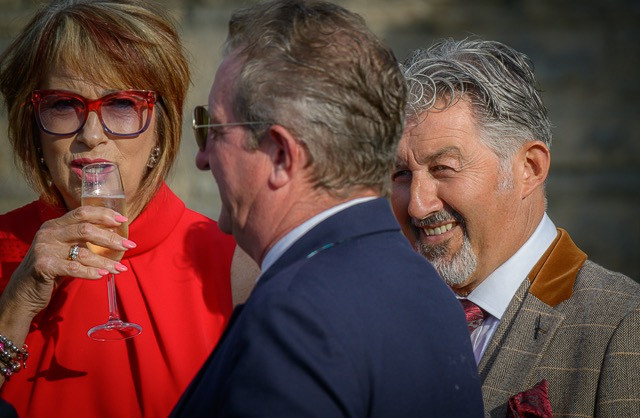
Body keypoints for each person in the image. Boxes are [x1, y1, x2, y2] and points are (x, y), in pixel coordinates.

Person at [170, 1, 485, 416]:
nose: (202, 158)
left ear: (281, 156)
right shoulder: (430, 289)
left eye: (212, 129)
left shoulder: (293, 318)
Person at [0, 1, 257, 416]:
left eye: (121, 104)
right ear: (33, 127)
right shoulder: (4, 248)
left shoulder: (232, 264)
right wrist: (16, 306)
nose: (91, 134)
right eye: (63, 104)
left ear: (160, 128)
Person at [392, 37, 640, 417]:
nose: (417, 204)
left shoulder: (622, 326)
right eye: (401, 174)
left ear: (530, 168)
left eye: (443, 168)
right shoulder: (383, 318)